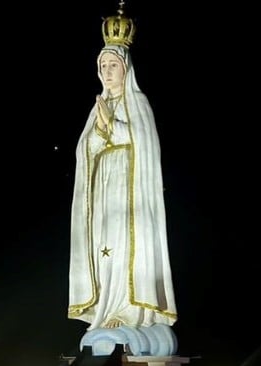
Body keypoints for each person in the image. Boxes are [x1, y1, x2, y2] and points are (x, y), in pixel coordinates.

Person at [67, 9, 177, 334]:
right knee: (104, 247)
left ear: (125, 68)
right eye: (103, 66)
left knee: (126, 245)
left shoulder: (138, 102)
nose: (107, 71)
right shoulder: (98, 107)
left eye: (112, 65)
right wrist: (101, 129)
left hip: (129, 191)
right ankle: (106, 305)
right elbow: (85, 149)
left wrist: (111, 127)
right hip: (104, 191)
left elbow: (143, 144)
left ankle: (128, 309)